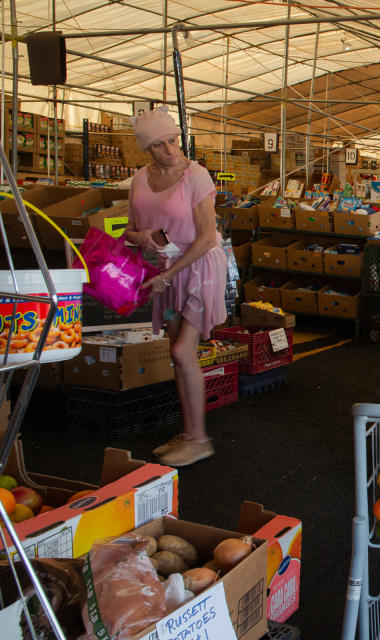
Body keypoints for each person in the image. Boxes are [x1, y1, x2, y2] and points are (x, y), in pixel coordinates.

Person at [125, 108, 227, 467]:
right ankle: (189, 432)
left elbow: (206, 238)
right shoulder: (140, 180)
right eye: (158, 145)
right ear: (146, 149)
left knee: (184, 352)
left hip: (200, 269)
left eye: (172, 140)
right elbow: (128, 229)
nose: (170, 150)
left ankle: (200, 439)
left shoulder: (196, 177)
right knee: (175, 352)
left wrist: (167, 275)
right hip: (166, 269)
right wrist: (142, 236)